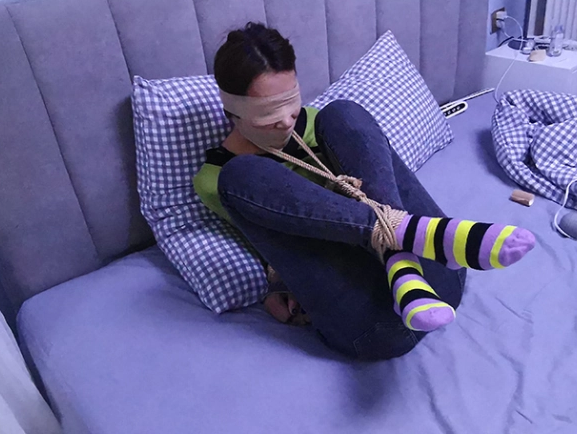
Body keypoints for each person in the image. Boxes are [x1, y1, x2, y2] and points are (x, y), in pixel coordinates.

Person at [193, 22, 536, 360]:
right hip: (373, 324)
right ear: (231, 112)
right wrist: (278, 287)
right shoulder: (213, 180)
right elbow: (271, 245)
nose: (285, 121)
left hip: (439, 280)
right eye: (267, 114)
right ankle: (411, 236)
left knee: (343, 113)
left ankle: (402, 258)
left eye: (291, 102)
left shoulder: (318, 125)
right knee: (239, 175)